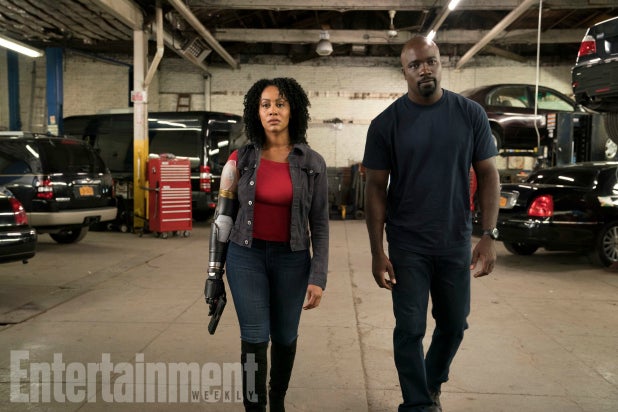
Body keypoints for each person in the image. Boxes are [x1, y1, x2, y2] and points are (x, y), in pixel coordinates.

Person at [362, 36, 501, 412]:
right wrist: (377, 251)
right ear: (404, 72)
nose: (424, 69)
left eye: (430, 61)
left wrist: (488, 235)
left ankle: (431, 381)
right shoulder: (386, 123)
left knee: (454, 324)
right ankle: (418, 404)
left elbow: (489, 174)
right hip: (407, 244)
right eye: (415, 64)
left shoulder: (470, 114)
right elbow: (374, 188)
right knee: (410, 328)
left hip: (454, 240)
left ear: (440, 63)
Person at [205, 77, 329, 412]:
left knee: (285, 336)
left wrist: (318, 276)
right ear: (256, 112)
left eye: (280, 103)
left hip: (293, 260)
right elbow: (223, 217)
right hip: (246, 257)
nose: (273, 110)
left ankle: (277, 400)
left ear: (293, 110)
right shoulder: (239, 160)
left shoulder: (313, 163)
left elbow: (319, 224)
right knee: (254, 336)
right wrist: (214, 274)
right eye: (265, 104)